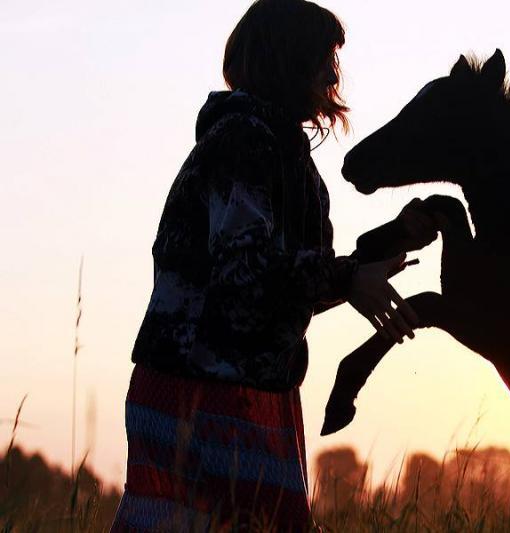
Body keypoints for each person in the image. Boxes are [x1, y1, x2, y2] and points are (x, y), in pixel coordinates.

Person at [111, 1, 436, 530]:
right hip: (198, 392)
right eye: (323, 59)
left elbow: (283, 285)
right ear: (288, 62)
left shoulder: (284, 154)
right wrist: (349, 278)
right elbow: (245, 276)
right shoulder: (241, 141)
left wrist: (374, 256)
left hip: (255, 395)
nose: (333, 75)